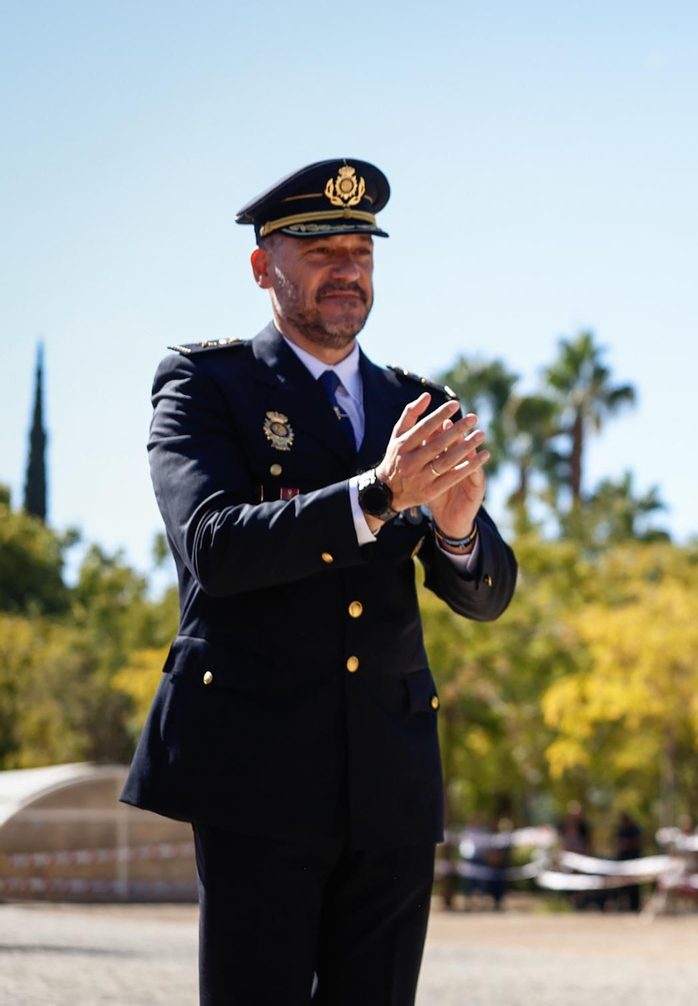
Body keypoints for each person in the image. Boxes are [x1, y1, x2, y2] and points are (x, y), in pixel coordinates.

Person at [120, 158, 517, 1005]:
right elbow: (214, 546)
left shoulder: (415, 403)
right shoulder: (206, 384)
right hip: (257, 772)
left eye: (361, 251)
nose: (348, 269)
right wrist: (376, 495)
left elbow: (487, 593)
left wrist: (455, 529)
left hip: (390, 779)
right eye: (321, 251)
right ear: (262, 266)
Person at [614, 812, 644, 913]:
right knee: (621, 886)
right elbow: (618, 843)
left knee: (634, 885)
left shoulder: (635, 830)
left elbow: (640, 841)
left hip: (634, 862)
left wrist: (629, 844)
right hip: (623, 863)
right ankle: (621, 905)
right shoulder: (621, 831)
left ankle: (635, 906)